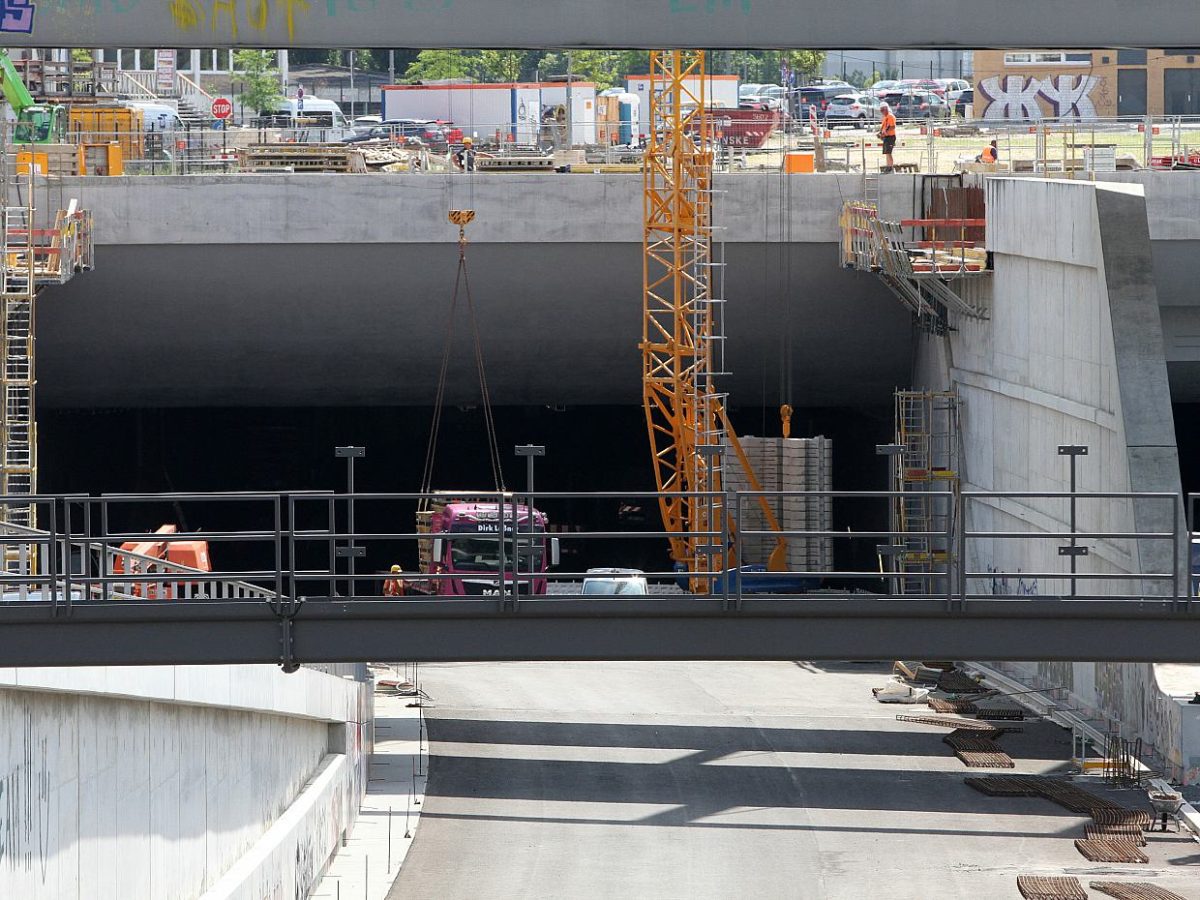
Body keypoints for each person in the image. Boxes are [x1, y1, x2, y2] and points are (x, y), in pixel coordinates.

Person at [878, 102, 897, 172]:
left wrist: (885, 131)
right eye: (881, 110)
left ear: (886, 109)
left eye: (882, 110)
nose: (882, 112)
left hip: (890, 136)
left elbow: (892, 126)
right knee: (887, 152)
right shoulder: (885, 117)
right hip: (887, 137)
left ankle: (890, 167)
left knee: (889, 152)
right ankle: (888, 166)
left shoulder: (890, 116)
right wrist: (880, 133)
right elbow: (884, 127)